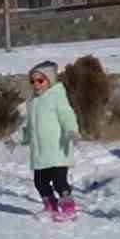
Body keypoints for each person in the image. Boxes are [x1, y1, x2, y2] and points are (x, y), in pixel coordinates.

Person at [17, 61, 81, 221]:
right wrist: (16, 139)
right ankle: (50, 207)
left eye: (40, 80)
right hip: (40, 153)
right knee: (39, 182)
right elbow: (30, 127)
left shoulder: (56, 97)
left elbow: (67, 115)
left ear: (50, 81)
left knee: (60, 182)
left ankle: (69, 208)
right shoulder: (32, 102)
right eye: (32, 81)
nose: (36, 84)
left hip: (57, 151)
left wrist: (71, 130)